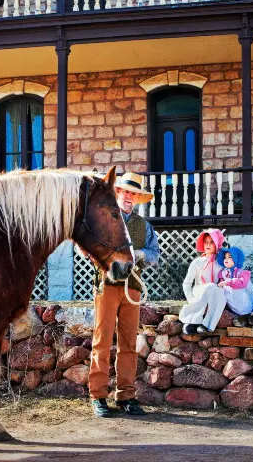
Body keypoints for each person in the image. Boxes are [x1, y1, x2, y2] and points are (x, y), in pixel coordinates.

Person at [88, 172, 160, 419]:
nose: (128, 196)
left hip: (133, 288)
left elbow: (154, 254)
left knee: (129, 343)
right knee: (103, 341)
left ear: (137, 198)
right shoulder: (104, 219)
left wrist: (140, 255)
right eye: (125, 191)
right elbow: (89, 249)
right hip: (107, 285)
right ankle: (98, 396)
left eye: (133, 193)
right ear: (117, 193)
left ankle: (126, 396)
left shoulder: (143, 226)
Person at [179, 228, 227, 335]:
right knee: (209, 286)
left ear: (217, 244)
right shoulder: (197, 262)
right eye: (205, 242)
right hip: (199, 290)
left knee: (220, 293)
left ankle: (207, 324)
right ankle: (191, 321)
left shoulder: (221, 263)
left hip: (214, 292)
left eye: (211, 242)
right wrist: (190, 298)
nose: (208, 244)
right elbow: (187, 283)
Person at [217, 246, 253, 316]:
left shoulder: (242, 273)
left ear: (235, 259)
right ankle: (236, 314)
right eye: (225, 257)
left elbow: (241, 283)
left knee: (235, 283)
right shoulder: (223, 273)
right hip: (233, 304)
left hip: (245, 302)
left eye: (229, 257)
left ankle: (247, 314)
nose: (226, 259)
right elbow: (221, 284)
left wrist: (227, 282)